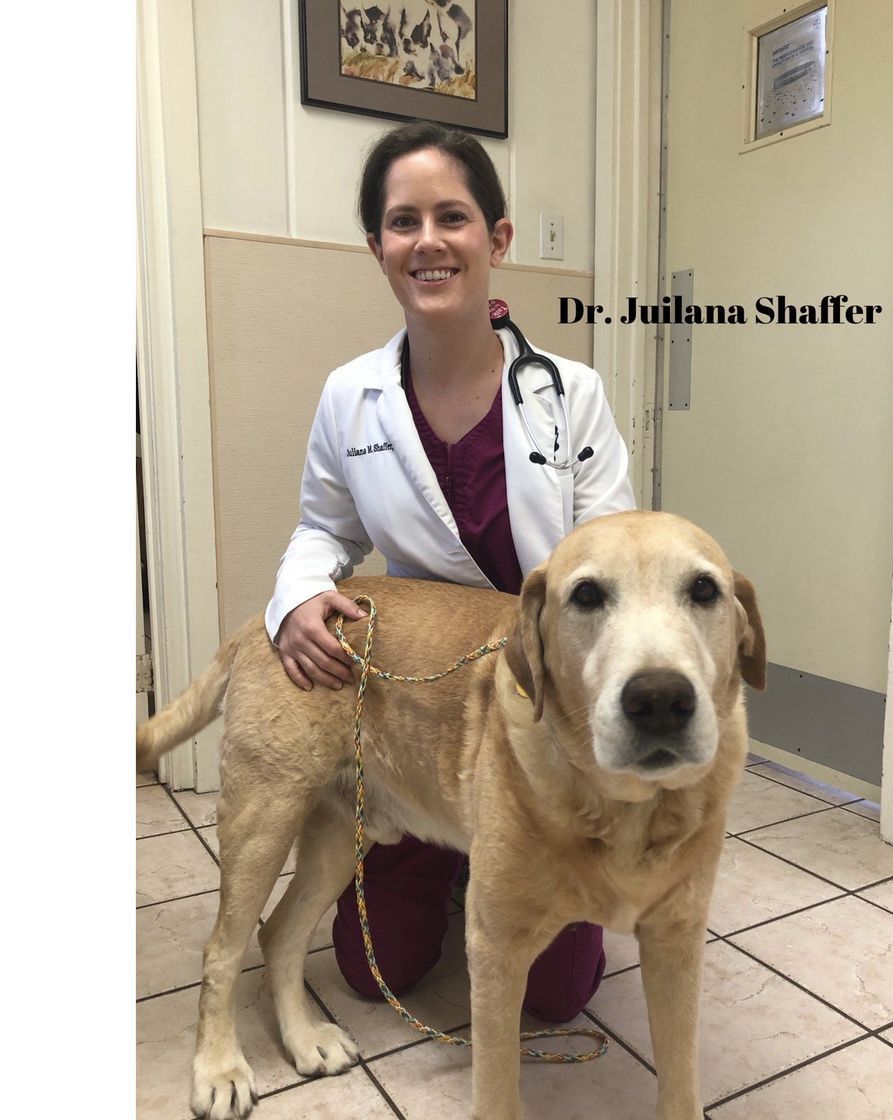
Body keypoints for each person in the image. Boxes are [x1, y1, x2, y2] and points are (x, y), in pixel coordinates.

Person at [264, 121, 636, 1023]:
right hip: (422, 712)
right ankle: (444, 859)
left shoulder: (570, 393)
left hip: (541, 711)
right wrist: (297, 599)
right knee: (372, 970)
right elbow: (323, 528)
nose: (428, 241)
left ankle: (499, 862)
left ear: (496, 239)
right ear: (378, 248)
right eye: (403, 222)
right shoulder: (350, 394)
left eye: (452, 217)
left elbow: (612, 556)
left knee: (556, 995)